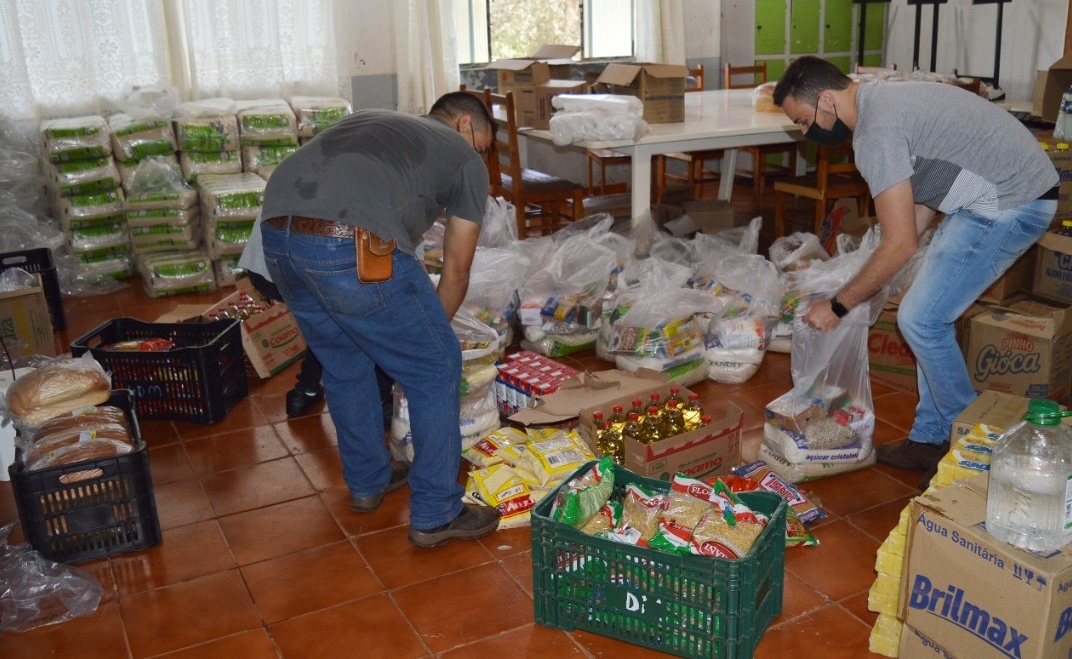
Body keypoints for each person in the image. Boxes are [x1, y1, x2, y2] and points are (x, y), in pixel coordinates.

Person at [772, 56, 1059, 489]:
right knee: (925, 316)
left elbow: (901, 243)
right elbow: (922, 200)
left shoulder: (874, 132)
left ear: (826, 101)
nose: (805, 133)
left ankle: (971, 446)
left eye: (804, 121)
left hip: (1012, 201)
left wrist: (838, 305)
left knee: (921, 320)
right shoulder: (880, 102)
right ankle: (929, 439)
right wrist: (874, 277)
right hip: (998, 194)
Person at [259, 91, 501, 547]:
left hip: (276, 234)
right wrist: (429, 338)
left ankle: (368, 481)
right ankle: (436, 512)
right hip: (349, 239)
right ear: (465, 125)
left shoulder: (381, 121)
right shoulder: (464, 157)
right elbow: (457, 269)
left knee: (344, 362)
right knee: (436, 366)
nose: (481, 156)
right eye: (484, 146)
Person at [238, 213, 395, 423]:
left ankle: (305, 390)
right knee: (376, 312)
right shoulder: (397, 200)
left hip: (264, 266)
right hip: (309, 263)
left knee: (325, 320)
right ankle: (381, 399)